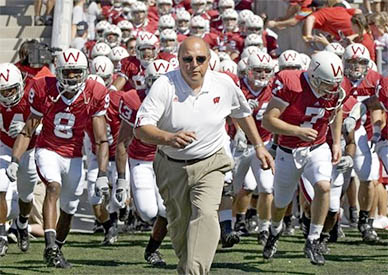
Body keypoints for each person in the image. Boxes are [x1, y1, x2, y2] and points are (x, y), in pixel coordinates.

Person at [134, 36, 274, 274]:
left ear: (209, 60)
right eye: (187, 59)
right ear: (178, 60)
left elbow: (241, 112)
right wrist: (167, 138)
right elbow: (140, 129)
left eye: (200, 59)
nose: (194, 64)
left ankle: (194, 271)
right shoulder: (164, 85)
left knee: (207, 214)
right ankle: (188, 265)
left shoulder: (223, 83)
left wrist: (259, 145)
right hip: (171, 165)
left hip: (211, 161)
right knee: (179, 228)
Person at [7, 48, 110, 268]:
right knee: (53, 187)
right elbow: (27, 130)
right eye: (67, 72)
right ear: (58, 71)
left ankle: (57, 249)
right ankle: (50, 246)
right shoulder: (44, 88)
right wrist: (15, 160)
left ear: (84, 72)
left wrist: (102, 174)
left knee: (69, 208)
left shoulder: (95, 92)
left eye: (76, 72)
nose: (72, 77)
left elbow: (101, 140)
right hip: (48, 149)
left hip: (73, 155)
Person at [262, 51, 345, 266]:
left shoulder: (333, 89)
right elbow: (268, 121)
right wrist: (295, 131)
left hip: (317, 148)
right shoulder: (292, 83)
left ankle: (313, 239)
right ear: (314, 76)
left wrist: (335, 142)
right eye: (327, 84)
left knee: (324, 187)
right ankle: (275, 230)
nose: (331, 89)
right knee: (281, 203)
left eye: (334, 84)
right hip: (288, 150)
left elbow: (337, 112)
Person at [0, 63, 39, 256]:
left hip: (30, 150)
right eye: (3, 92)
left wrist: (32, 128)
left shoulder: (31, 97)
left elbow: (47, 121)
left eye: (11, 90)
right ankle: (1, 234)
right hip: (4, 147)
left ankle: (22, 224)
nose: (8, 95)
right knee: (0, 187)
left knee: (26, 195)